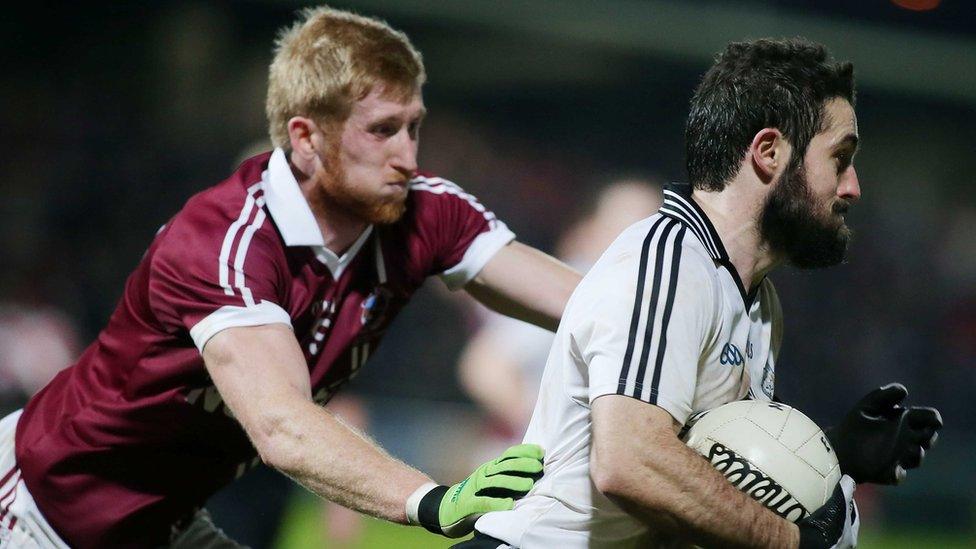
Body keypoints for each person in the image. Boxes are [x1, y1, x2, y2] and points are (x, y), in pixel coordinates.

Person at [0, 6, 582, 548]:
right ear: (305, 138)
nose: (407, 154)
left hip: (161, 523)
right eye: (381, 131)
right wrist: (430, 501)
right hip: (39, 509)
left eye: (413, 127)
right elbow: (282, 426)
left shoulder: (428, 209)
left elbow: (585, 305)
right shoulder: (221, 242)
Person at [465, 38, 943, 549]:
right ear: (768, 152)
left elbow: (712, 458)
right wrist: (791, 542)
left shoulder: (756, 299)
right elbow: (631, 461)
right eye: (839, 158)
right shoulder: (669, 263)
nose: (852, 187)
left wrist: (832, 458)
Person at [459, 179, 662, 456]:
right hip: (531, 477)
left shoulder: (652, 300)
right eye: (628, 224)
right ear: (591, 229)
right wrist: (544, 435)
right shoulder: (575, 286)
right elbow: (486, 368)